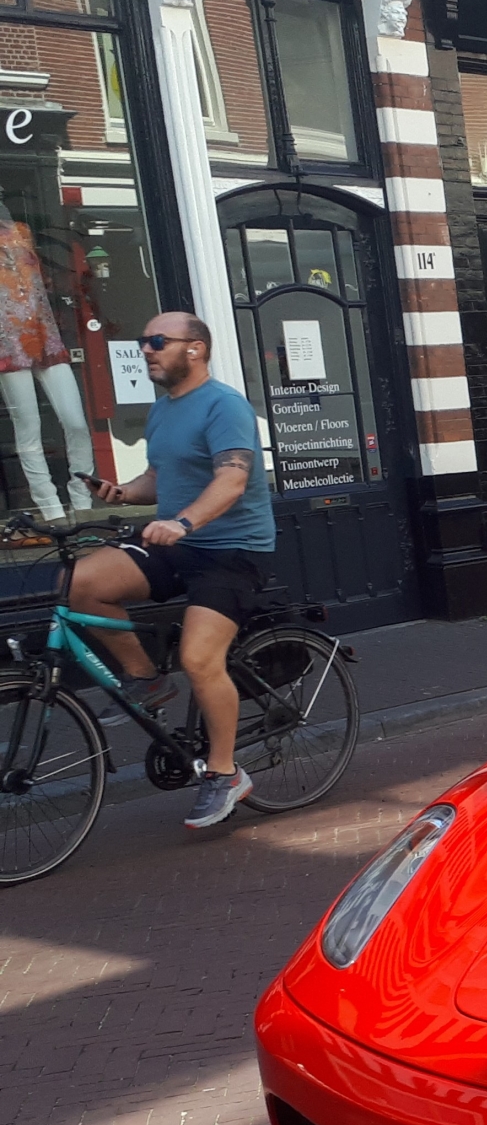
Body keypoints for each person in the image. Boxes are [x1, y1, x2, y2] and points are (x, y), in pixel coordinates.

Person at [69, 312, 273, 829]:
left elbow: (231, 482)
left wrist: (183, 522)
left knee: (200, 657)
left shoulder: (225, 406)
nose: (147, 350)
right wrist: (123, 494)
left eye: (157, 341)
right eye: (143, 341)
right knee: (81, 584)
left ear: (196, 348)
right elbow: (160, 478)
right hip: (175, 540)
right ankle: (145, 677)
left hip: (231, 548)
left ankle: (225, 774)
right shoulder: (163, 411)